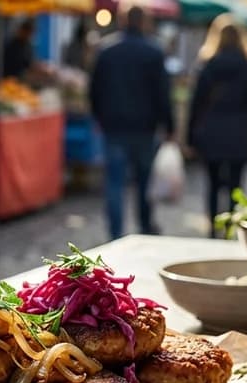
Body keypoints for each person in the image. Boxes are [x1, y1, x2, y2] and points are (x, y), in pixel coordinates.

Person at [89, 5, 173, 239]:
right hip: (145, 128)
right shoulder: (153, 52)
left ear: (123, 20)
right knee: (144, 181)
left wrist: (99, 117)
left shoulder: (106, 50)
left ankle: (115, 233)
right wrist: (169, 126)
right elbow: (163, 93)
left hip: (114, 126)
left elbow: (94, 90)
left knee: (115, 182)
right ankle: (145, 227)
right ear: (144, 22)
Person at [187, 15, 247, 234]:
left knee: (212, 184)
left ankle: (213, 226)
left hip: (212, 131)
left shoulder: (208, 66)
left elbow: (196, 104)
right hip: (238, 132)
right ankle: (231, 225)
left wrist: (190, 137)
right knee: (235, 184)